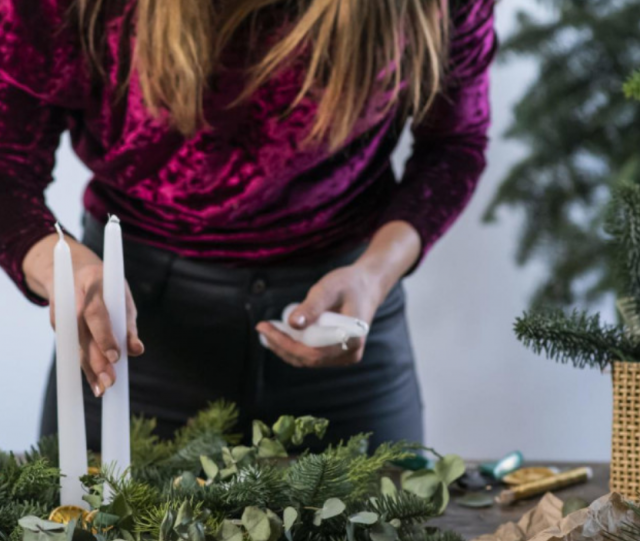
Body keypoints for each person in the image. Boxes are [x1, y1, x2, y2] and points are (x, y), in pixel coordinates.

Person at [0, 0, 496, 452]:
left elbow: (454, 144)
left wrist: (374, 274)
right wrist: (67, 271)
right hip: (130, 332)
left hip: (345, 323)